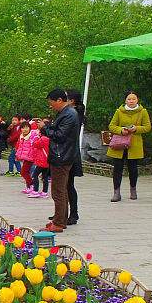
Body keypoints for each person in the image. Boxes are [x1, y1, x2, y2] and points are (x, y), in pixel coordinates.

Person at [42, 89, 80, 232]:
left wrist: (44, 129)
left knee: (58, 191)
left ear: (59, 100)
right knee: (61, 190)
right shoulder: (66, 113)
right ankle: (61, 220)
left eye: (52, 103)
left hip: (62, 156)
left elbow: (60, 135)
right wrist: (46, 126)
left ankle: (58, 223)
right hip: (62, 155)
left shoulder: (69, 114)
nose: (50, 106)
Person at [106, 91, 152, 202]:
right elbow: (112, 126)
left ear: (137, 100)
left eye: (133, 99)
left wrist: (136, 129)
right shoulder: (119, 111)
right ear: (125, 100)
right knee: (117, 168)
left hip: (134, 144)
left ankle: (133, 189)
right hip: (119, 144)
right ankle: (116, 192)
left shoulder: (143, 112)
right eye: (129, 99)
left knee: (133, 168)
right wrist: (121, 130)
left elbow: (147, 127)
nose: (131, 101)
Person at [65, 89, 84, 225]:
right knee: (63, 185)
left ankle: (73, 213)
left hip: (69, 153)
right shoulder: (69, 113)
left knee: (69, 185)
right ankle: (63, 212)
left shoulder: (73, 114)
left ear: (72, 101)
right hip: (68, 152)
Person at [16, 120, 36, 193]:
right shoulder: (22, 137)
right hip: (25, 157)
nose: (25, 130)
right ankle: (29, 187)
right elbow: (20, 147)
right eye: (23, 128)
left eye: (26, 128)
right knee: (26, 172)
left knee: (23, 172)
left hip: (30, 157)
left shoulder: (32, 137)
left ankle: (32, 184)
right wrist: (18, 156)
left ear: (30, 128)